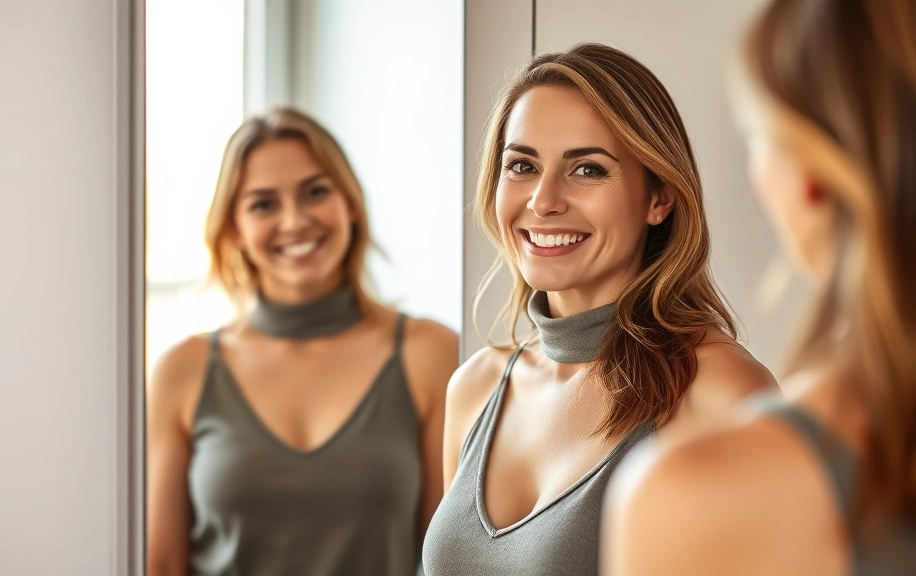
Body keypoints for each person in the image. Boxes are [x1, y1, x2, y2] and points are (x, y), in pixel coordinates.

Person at [421, 43, 777, 576]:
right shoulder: (473, 389)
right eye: (521, 165)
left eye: (587, 170)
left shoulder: (722, 392)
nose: (543, 200)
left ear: (659, 197)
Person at [602, 1, 916, 574]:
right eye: (519, 165)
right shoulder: (474, 385)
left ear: (812, 178)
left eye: (756, 136)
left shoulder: (694, 491)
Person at [146, 107, 458, 576]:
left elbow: (449, 559)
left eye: (315, 192)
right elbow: (161, 566)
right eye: (263, 204)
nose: (294, 221)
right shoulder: (182, 369)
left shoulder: (430, 353)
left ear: (349, 203)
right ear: (234, 228)